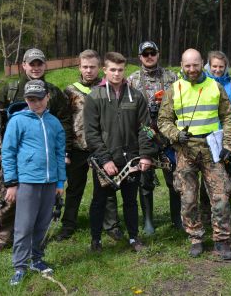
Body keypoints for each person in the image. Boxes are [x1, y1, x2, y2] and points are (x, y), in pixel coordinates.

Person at [0, 48, 71, 252]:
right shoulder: (11, 90)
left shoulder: (53, 92)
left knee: (42, 198)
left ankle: (35, 236)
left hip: (44, 156)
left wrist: (64, 152)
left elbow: (65, 123)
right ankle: (4, 236)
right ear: (23, 65)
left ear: (45, 65)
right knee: (9, 194)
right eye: (31, 64)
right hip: (14, 152)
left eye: (39, 63)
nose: (35, 67)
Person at [158, 48, 231, 260]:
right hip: (185, 150)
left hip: (212, 150)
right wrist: (175, 134)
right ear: (182, 66)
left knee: (220, 196)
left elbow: (228, 117)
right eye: (187, 65)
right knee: (188, 198)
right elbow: (163, 120)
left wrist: (228, 144)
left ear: (203, 63)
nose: (192, 69)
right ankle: (196, 238)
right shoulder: (174, 89)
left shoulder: (215, 86)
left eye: (195, 64)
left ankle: (221, 240)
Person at [84, 52, 156, 252]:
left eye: (120, 70)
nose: (116, 74)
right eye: (112, 70)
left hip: (131, 159)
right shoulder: (94, 97)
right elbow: (91, 133)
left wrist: (145, 156)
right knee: (100, 200)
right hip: (104, 161)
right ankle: (96, 240)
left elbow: (145, 129)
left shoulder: (136, 96)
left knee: (131, 201)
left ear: (125, 70)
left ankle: (134, 238)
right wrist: (105, 160)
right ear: (104, 70)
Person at [1, 80, 66, 286]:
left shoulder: (54, 123)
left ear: (47, 97)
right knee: (24, 225)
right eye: (30, 99)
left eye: (39, 98)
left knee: (42, 223)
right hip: (27, 181)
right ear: (26, 99)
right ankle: (19, 266)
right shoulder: (17, 121)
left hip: (50, 181)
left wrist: (60, 181)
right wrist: (11, 183)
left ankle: (36, 259)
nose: (35, 103)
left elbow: (59, 153)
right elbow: (8, 152)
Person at [56, 50, 122, 241]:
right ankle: (68, 225)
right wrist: (66, 147)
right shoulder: (70, 91)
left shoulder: (108, 88)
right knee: (74, 188)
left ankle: (111, 225)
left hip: (102, 148)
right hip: (78, 148)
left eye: (92, 67)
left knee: (106, 188)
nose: (89, 70)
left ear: (99, 68)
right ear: (79, 67)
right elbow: (65, 120)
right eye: (85, 67)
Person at [129, 41, 182, 233]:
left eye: (152, 53)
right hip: (145, 137)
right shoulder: (132, 79)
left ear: (158, 54)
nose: (149, 56)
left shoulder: (172, 76)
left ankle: (177, 218)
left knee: (174, 180)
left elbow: (181, 103)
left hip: (168, 137)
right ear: (140, 57)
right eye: (145, 54)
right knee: (145, 179)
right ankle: (148, 221)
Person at [200, 50, 231, 223]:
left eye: (221, 66)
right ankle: (205, 213)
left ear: (226, 67)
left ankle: (225, 213)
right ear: (208, 66)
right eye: (214, 66)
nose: (217, 69)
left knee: (227, 175)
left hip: (227, 136)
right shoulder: (203, 82)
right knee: (207, 176)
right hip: (208, 137)